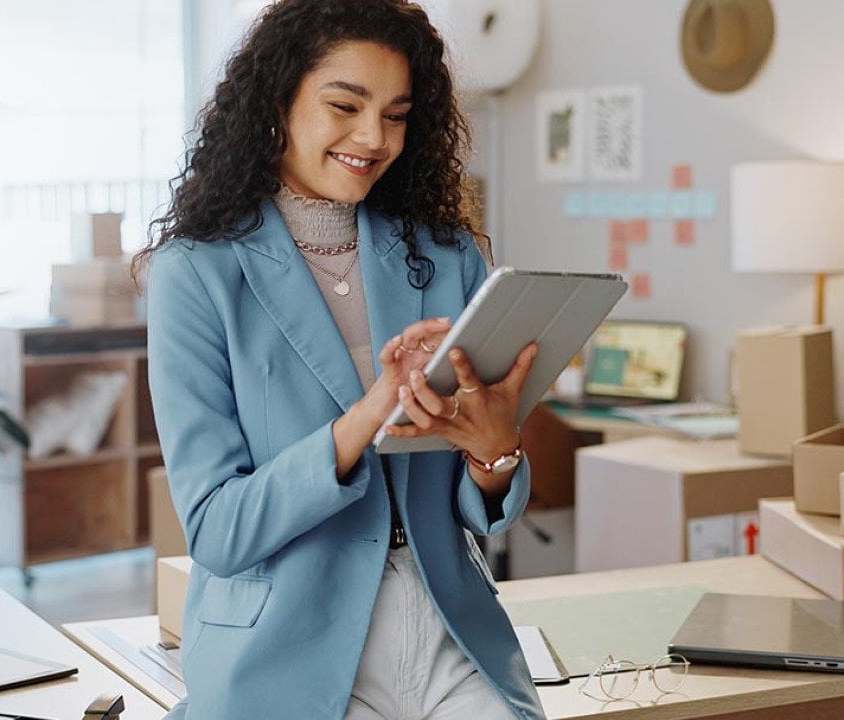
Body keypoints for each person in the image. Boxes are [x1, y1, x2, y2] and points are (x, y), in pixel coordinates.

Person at [139, 1, 545, 718]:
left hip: (449, 628)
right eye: (344, 105)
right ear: (277, 102)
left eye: (396, 114)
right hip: (289, 645)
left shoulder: (447, 255)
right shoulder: (196, 273)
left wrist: (495, 456)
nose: (373, 137)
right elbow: (218, 531)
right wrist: (366, 416)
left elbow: (485, 511)